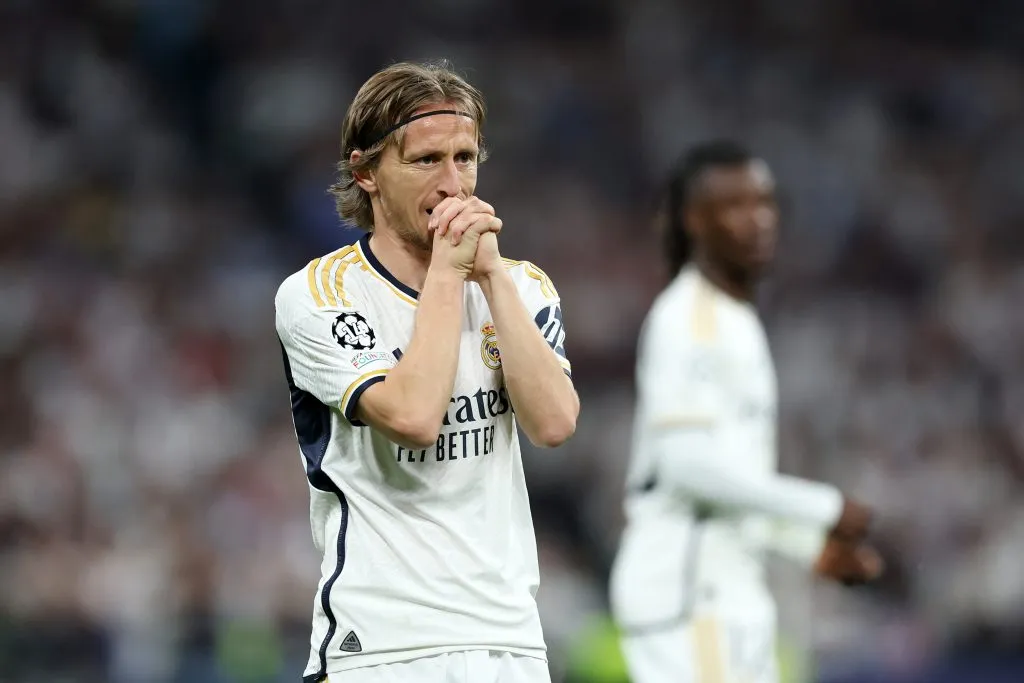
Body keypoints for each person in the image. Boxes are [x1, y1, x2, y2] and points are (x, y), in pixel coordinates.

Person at [274, 61, 579, 683]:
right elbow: (413, 418)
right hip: (383, 646)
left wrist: (490, 276)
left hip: (509, 640)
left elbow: (553, 423)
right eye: (426, 161)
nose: (453, 185)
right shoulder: (319, 295)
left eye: (465, 158)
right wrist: (448, 272)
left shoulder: (521, 286)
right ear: (365, 173)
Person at [608, 140, 883, 683]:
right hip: (691, 596)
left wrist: (807, 546)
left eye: (765, 202)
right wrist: (823, 507)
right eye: (734, 205)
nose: (758, 219)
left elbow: (731, 483)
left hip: (726, 591)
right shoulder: (689, 318)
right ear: (694, 221)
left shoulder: (734, 320)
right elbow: (685, 467)